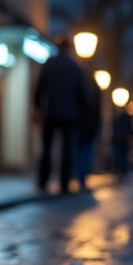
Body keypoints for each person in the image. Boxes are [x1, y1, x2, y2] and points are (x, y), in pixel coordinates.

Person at [33, 35, 88, 194]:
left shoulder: (50, 64)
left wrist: (37, 107)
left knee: (47, 147)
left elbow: (39, 88)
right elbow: (82, 93)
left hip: (51, 111)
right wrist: (83, 112)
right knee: (67, 149)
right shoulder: (74, 67)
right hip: (70, 114)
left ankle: (43, 181)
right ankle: (64, 183)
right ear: (70, 49)